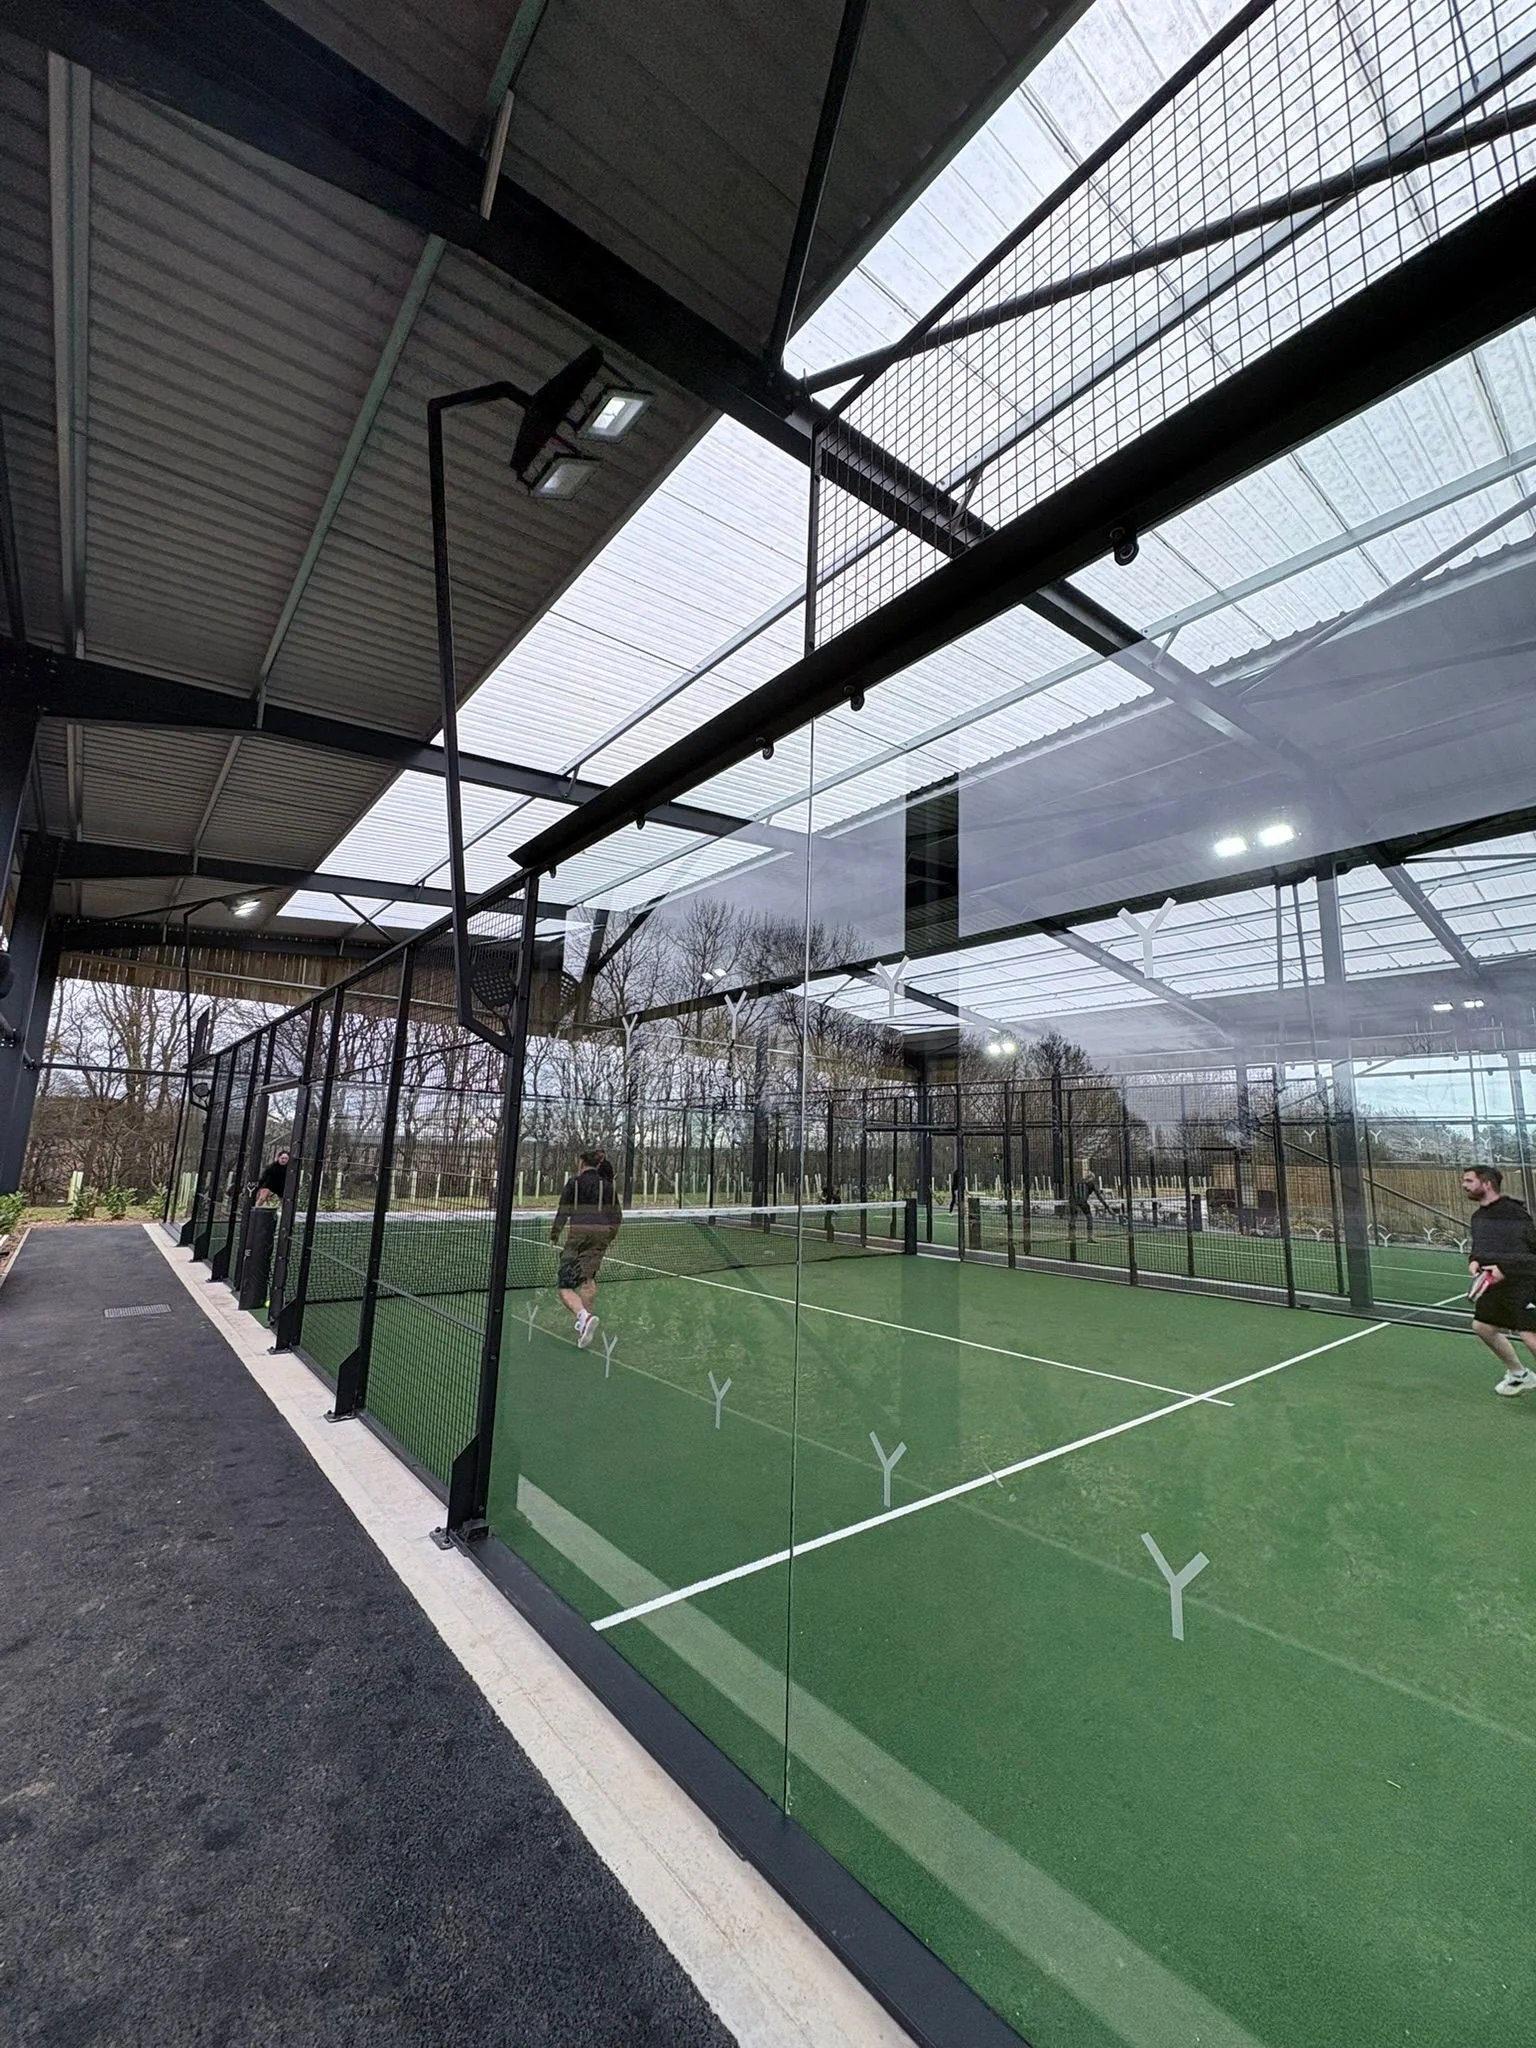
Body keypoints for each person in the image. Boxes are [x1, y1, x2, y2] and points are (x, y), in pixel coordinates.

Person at [1462, 1164, 1536, 1396]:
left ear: (1487, 1184)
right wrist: (1474, 1260)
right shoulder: (1478, 1217)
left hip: (1524, 1281)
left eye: (1469, 1181)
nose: (1464, 1186)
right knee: (1483, 1326)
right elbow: (1480, 1248)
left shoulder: (1514, 1213)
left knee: (1530, 1335)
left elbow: (1530, 1250)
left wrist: (1504, 1268)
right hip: (1493, 1283)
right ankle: (1519, 1375)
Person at [551, 1148, 621, 1349]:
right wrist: (609, 1236)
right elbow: (616, 1215)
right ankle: (585, 1324)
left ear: (582, 1162)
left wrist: (555, 1234)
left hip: (579, 1233)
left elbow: (563, 1211)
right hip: (601, 1234)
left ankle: (583, 1316)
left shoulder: (573, 1183)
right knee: (588, 1279)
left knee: (565, 1285)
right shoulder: (608, 1186)